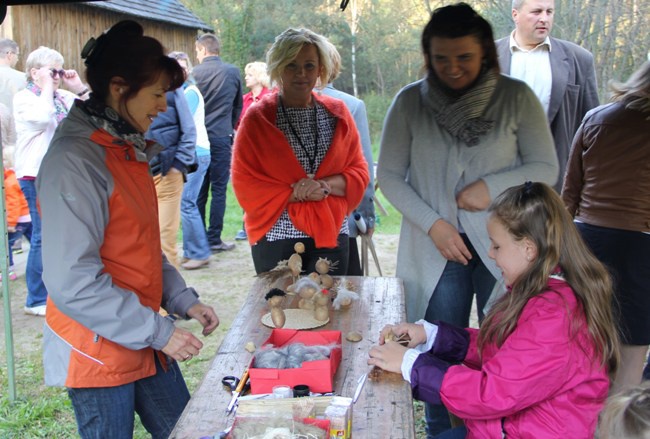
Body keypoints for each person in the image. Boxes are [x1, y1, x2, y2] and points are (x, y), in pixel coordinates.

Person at [376, 4, 558, 435]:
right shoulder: (409, 102)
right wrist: (434, 223)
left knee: (503, 349)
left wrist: (490, 188)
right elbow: (388, 175)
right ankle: (444, 431)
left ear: (486, 55)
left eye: (465, 58)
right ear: (428, 56)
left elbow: (545, 166)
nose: (453, 69)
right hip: (433, 247)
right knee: (437, 345)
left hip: (506, 247)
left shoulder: (515, 98)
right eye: (441, 59)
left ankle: (498, 427)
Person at [36, 21, 219, 438]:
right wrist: (158, 331)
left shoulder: (123, 147)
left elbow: (138, 245)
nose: (162, 107)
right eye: (156, 94)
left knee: (188, 431)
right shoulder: (76, 160)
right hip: (99, 347)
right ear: (119, 87)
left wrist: (181, 299)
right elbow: (73, 281)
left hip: (141, 335)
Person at [369, 181, 620, 439]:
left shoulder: (555, 316)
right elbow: (501, 351)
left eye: (497, 246)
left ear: (529, 250)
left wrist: (410, 364)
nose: (490, 253)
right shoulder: (541, 295)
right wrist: (430, 335)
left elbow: (492, 393)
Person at [232, 28, 369, 276]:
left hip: (331, 232)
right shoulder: (258, 118)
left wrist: (322, 186)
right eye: (292, 65)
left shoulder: (337, 113)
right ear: (278, 68)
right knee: (281, 311)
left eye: (309, 65)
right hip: (276, 235)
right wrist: (296, 193)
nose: (301, 73)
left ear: (320, 69)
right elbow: (245, 185)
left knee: (333, 308)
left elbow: (359, 172)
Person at [562, 61, 650, 396]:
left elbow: (570, 193)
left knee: (585, 342)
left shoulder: (596, 117)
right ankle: (616, 429)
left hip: (588, 240)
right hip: (640, 244)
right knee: (631, 353)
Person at [13, 46, 89, 316]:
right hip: (35, 174)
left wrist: (78, 88)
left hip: (63, 173)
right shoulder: (25, 99)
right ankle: (35, 298)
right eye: (51, 71)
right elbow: (42, 117)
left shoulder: (63, 97)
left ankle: (58, 289)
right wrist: (47, 87)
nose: (57, 76)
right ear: (34, 73)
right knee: (43, 235)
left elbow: (96, 114)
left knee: (64, 234)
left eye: (59, 70)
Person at [495, 0, 600, 190]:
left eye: (549, 12)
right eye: (536, 12)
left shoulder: (579, 59)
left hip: (557, 179)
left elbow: (593, 128)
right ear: (515, 14)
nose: (544, 18)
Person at [318, 41, 375, 276]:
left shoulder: (276, 103)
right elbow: (363, 172)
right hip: (341, 219)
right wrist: (367, 218)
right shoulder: (351, 105)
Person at [193, 33, 242, 252]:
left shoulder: (194, 74)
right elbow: (237, 106)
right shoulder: (232, 72)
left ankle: (200, 238)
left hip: (198, 138)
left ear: (203, 50)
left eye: (196, 51)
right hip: (222, 136)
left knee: (199, 190)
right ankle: (215, 238)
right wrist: (228, 127)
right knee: (219, 189)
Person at [146, 77, 197, 269]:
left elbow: (189, 129)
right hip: (138, 172)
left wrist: (178, 164)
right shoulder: (128, 87)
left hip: (167, 170)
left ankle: (171, 296)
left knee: (164, 238)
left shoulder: (171, 88)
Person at [168, 51, 213, 270]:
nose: (180, 71)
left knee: (187, 203)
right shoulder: (179, 92)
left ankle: (199, 253)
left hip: (196, 153)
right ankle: (192, 251)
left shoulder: (190, 93)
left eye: (183, 67)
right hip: (192, 153)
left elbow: (178, 122)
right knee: (186, 203)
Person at [234, 61, 272, 242]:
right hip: (247, 151)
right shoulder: (243, 100)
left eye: (249, 75)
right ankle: (246, 226)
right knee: (248, 187)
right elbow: (237, 124)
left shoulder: (271, 97)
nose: (246, 78)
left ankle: (267, 223)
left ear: (258, 77)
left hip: (268, 151)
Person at [0, 38, 25, 112]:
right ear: (9, 54)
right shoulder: (23, 78)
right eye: (17, 54)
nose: (17, 59)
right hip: (14, 121)